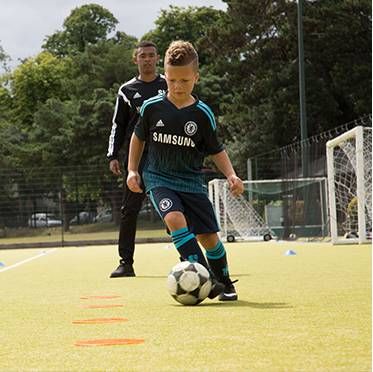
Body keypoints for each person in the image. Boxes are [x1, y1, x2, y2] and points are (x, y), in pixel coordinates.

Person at [127, 40, 244, 301]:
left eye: (184, 81)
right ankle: (206, 280)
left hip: (191, 182)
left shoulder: (203, 114)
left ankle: (224, 281)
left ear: (196, 78)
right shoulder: (151, 108)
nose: (177, 87)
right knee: (174, 220)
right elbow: (138, 138)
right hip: (158, 177)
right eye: (171, 80)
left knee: (209, 238)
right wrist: (132, 170)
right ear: (164, 77)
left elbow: (216, 149)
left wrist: (231, 175)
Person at [107, 41, 167, 277]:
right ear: (136, 60)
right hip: (138, 160)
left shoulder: (169, 83)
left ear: (157, 58)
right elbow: (118, 125)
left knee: (179, 205)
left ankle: (188, 258)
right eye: (143, 56)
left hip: (168, 156)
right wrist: (112, 155)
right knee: (129, 210)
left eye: (152, 55)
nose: (148, 59)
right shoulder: (127, 90)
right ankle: (126, 263)